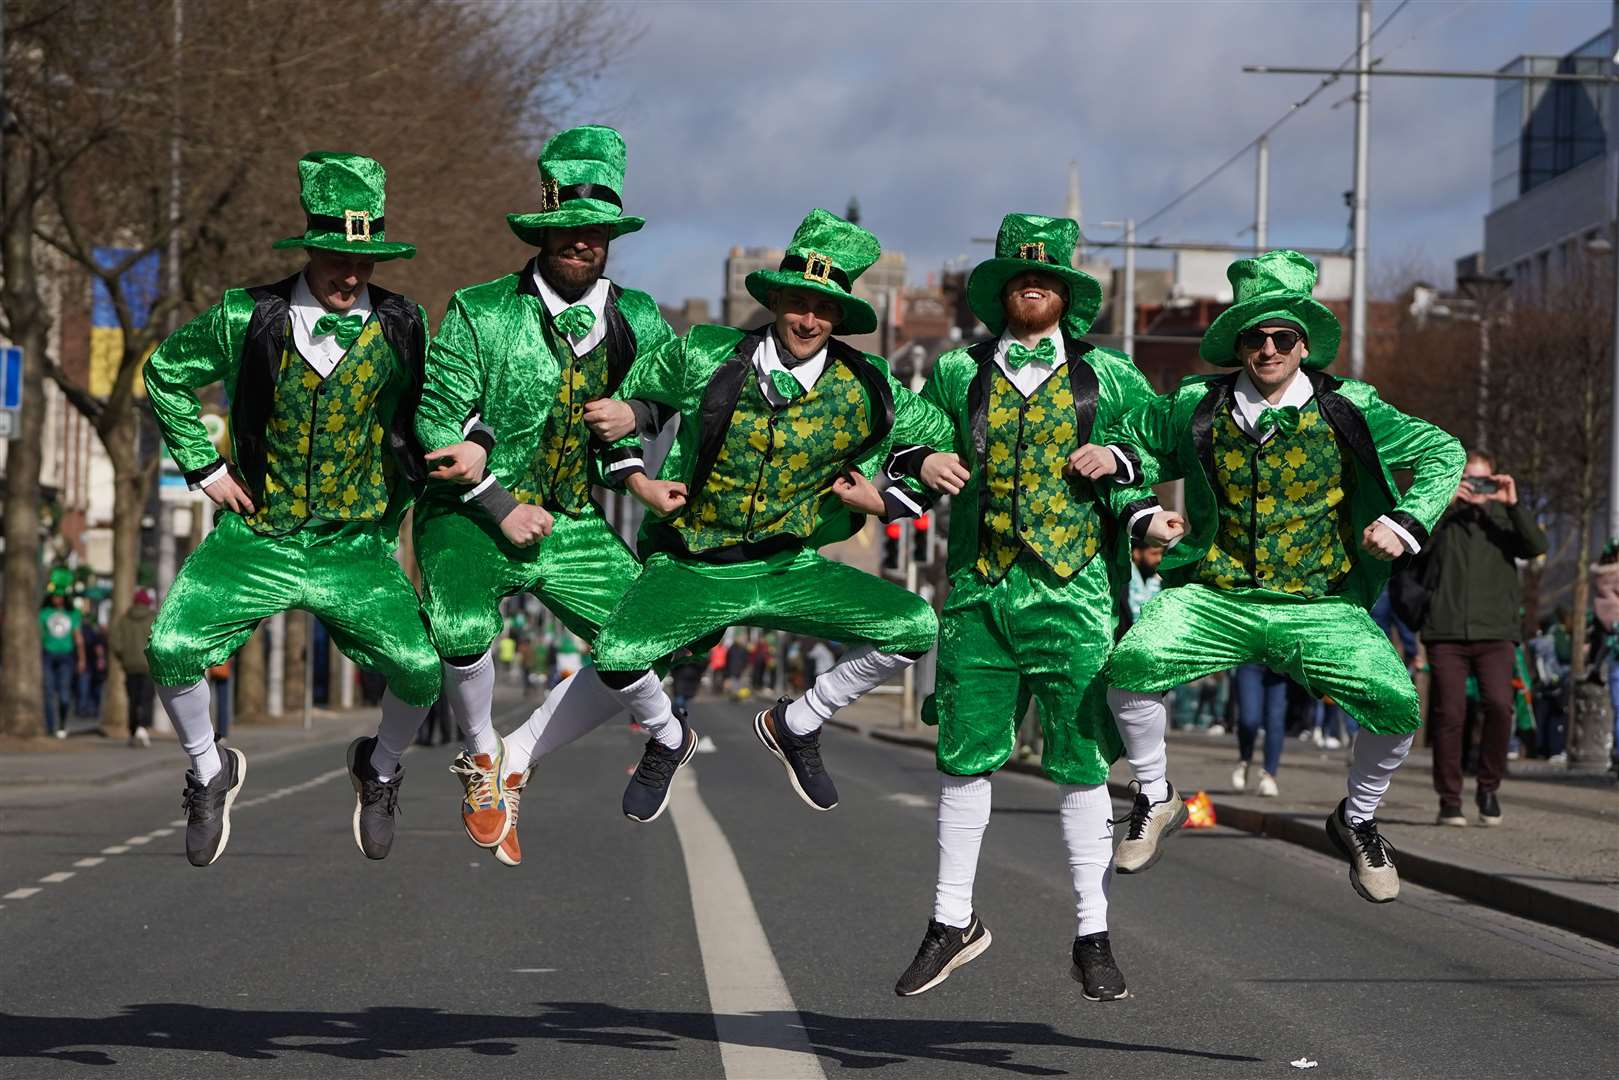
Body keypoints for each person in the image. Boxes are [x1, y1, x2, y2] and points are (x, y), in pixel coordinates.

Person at [1104, 249, 1464, 903]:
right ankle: (1155, 796)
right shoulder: (1196, 405)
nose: (1267, 349)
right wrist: (1141, 512)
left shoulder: (1348, 408)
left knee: (1395, 704)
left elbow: (1443, 451)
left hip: (1316, 602)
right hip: (1215, 594)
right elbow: (1126, 442)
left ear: (1302, 346)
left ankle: (1355, 819)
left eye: (1281, 337)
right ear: (1238, 343)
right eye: (1254, 336)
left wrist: (1407, 522)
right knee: (1133, 662)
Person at [880, 213, 1166, 1001]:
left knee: (1078, 767)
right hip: (977, 590)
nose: (1032, 286)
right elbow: (908, 440)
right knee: (963, 759)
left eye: (1047, 278)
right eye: (1019, 276)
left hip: (1075, 598)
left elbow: (1155, 450)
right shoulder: (951, 372)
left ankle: (1091, 932)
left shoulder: (1108, 377)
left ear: (1067, 294)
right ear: (1002, 291)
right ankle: (949, 922)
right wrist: (923, 458)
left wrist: (1127, 479)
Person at [590, 208, 957, 823]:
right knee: (616, 655)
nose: (808, 320)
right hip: (695, 564)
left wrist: (890, 497)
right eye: (796, 302)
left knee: (916, 626)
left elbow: (936, 441)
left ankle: (799, 720)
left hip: (791, 567)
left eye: (823, 308)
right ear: (776, 300)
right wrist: (634, 464)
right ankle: (666, 736)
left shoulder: (867, 384)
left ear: (838, 316)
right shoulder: (708, 352)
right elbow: (637, 399)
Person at [144, 151, 441, 866]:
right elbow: (165, 373)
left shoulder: (404, 323)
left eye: (363, 261)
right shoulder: (247, 315)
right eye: (336, 256)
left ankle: (379, 767)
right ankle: (210, 770)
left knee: (421, 667)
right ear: (309, 247)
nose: (349, 274)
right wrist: (206, 466)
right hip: (259, 535)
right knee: (170, 647)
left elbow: (437, 407)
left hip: (355, 545)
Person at [410, 125, 674, 868]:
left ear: (610, 238)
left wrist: (638, 430)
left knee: (652, 633)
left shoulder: (638, 318)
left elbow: (657, 397)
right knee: (460, 626)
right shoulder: (480, 310)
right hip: (471, 511)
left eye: (593, 232)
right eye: (565, 230)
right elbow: (438, 419)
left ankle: (519, 756)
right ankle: (480, 759)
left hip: (574, 519)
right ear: (543, 232)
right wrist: (496, 500)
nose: (579, 243)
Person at [1416, 450, 1546, 826]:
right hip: (1447, 630)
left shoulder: (1505, 517)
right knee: (1449, 714)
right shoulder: (1446, 515)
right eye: (1469, 480)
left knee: (1500, 705)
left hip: (1496, 631)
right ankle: (1449, 799)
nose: (1476, 488)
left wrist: (1512, 503)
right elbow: (1414, 549)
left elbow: (1537, 546)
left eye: (1483, 481)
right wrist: (1444, 502)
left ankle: (1488, 787)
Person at [109, 588, 159, 748]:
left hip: (130, 665)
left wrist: (123, 656)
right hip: (148, 665)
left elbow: (115, 641)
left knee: (133, 698)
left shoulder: (124, 619)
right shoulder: (153, 618)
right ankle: (143, 728)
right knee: (146, 698)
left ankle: (132, 730)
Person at [39, 572, 84, 740]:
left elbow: (78, 637)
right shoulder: (44, 613)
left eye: (60, 596)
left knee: (65, 695)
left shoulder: (73, 614)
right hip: (48, 655)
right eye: (54, 596)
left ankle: (62, 724)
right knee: (49, 691)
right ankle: (51, 727)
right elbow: (39, 634)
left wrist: (82, 659)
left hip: (66, 656)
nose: (57, 599)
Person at [1232, 665, 1286, 796]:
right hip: (1250, 659)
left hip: (1280, 666)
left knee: (1275, 720)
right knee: (1249, 720)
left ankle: (1269, 775)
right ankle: (1244, 759)